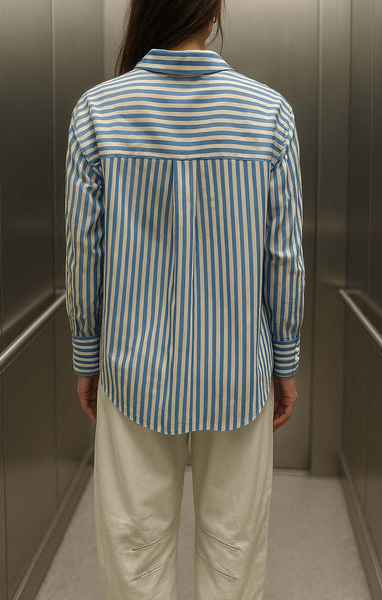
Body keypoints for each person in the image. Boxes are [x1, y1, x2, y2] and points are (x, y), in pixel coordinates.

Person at [64, 0, 305, 598]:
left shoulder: (97, 112)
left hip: (134, 372)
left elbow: (83, 252)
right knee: (233, 552)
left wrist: (87, 357)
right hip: (237, 372)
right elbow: (284, 258)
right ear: (214, 11)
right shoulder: (270, 114)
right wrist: (285, 362)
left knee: (134, 554)